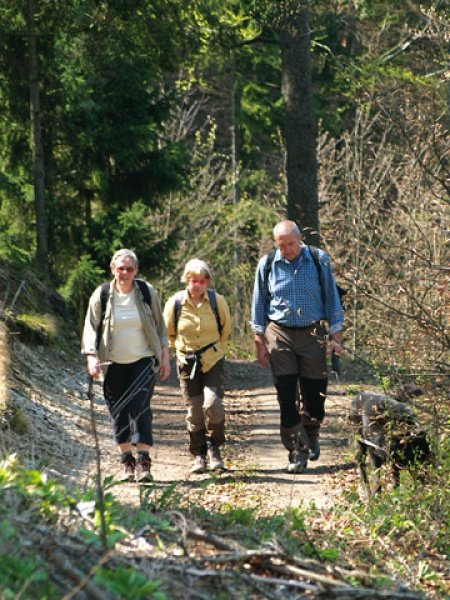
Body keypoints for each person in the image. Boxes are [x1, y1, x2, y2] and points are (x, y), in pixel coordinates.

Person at [251, 220, 343, 473]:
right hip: (279, 332)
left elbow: (332, 297)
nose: (286, 249)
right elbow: (258, 303)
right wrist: (259, 341)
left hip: (313, 331)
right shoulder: (268, 264)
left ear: (300, 239)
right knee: (286, 393)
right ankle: (297, 450)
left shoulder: (318, 259)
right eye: (281, 245)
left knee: (315, 394)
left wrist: (336, 335)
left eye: (290, 244)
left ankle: (311, 431)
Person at [81, 249, 170, 482]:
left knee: (139, 407)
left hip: (143, 360)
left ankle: (144, 461)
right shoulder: (101, 295)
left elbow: (161, 327)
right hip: (112, 363)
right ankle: (126, 461)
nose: (125, 273)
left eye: (129, 269)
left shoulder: (146, 292)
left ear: (136, 271)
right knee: (118, 412)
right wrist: (91, 356)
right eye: (120, 268)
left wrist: (165, 357)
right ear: (113, 269)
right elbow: (90, 327)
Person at [164, 259, 231, 474]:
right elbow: (168, 334)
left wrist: (217, 349)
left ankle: (215, 448)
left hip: (213, 359)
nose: (198, 285)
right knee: (194, 411)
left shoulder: (216, 301)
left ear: (208, 282)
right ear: (187, 280)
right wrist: (180, 351)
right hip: (187, 362)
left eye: (202, 281)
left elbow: (225, 330)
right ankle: (199, 454)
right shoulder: (175, 303)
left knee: (213, 406)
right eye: (194, 281)